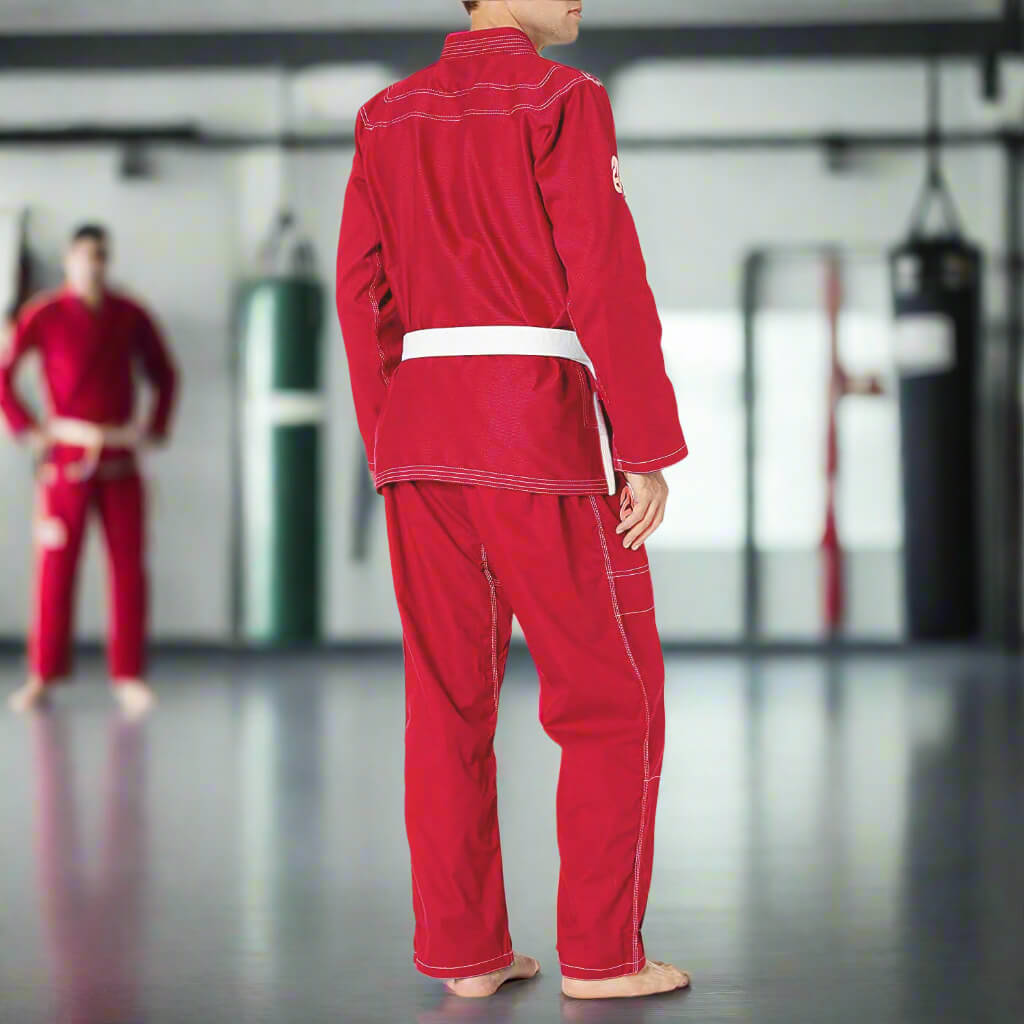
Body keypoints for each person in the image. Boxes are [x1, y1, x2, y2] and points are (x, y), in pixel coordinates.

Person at [337, 0, 690, 1001]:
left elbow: (359, 288)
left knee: (445, 702)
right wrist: (647, 442)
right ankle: (601, 956)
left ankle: (466, 956)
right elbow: (603, 270)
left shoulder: (385, 116)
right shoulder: (562, 99)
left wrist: (388, 436)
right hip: (532, 430)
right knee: (609, 700)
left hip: (420, 437)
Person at [0, 224, 178, 717]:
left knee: (128, 571)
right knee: (55, 571)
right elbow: (4, 375)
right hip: (67, 462)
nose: (92, 264)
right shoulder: (45, 314)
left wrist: (155, 426)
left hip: (120, 460)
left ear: (108, 260)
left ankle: (128, 675)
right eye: (83, 255)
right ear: (68, 260)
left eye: (101, 255)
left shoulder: (130, 315)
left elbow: (164, 372)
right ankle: (42, 673)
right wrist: (29, 430)